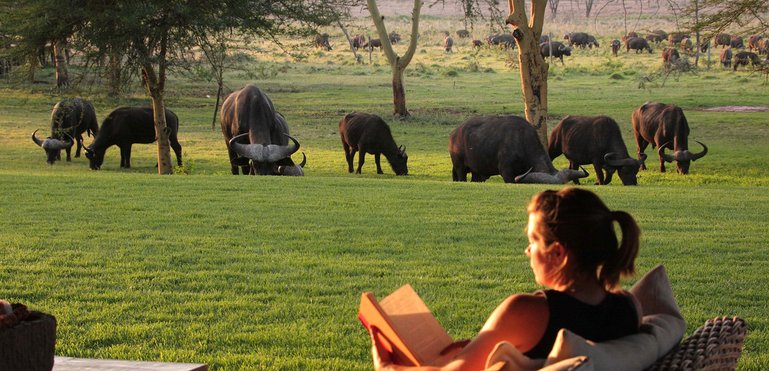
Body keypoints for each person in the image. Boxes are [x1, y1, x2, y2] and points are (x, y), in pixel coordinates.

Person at [370, 188, 642, 370]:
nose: (527, 250)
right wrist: (484, 345)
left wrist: (387, 368)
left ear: (557, 252)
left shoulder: (527, 311)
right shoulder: (629, 308)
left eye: (533, 241)